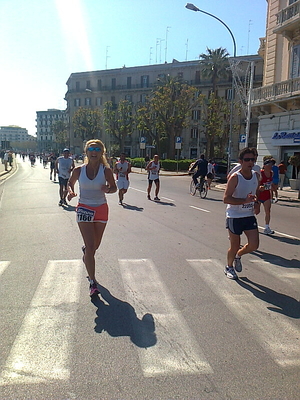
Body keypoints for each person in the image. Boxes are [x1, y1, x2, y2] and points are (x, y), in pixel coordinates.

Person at [67, 139, 117, 296]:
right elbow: (70, 183)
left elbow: (114, 188)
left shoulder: (106, 171)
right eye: (91, 149)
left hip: (101, 209)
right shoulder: (78, 170)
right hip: (84, 208)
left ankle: (87, 253)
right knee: (90, 246)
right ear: (86, 152)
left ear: (102, 152)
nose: (93, 151)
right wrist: (70, 191)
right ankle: (92, 282)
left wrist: (108, 190)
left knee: (94, 247)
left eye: (97, 149)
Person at [223, 147, 260, 280]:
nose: (250, 162)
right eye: (247, 159)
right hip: (234, 216)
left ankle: (238, 255)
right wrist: (244, 200)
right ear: (241, 161)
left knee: (254, 245)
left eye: (253, 159)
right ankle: (229, 267)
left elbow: (257, 191)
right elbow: (226, 198)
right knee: (234, 245)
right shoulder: (235, 177)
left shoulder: (256, 175)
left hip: (249, 215)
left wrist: (257, 203)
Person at [257, 158, 275, 235]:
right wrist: (260, 187)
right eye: (269, 165)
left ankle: (267, 227)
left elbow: (271, 184)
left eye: (271, 165)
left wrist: (273, 193)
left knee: (268, 211)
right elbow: (256, 184)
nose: (271, 166)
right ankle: (247, 224)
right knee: (255, 211)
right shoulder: (260, 173)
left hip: (267, 195)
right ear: (264, 166)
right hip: (258, 195)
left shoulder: (271, 173)